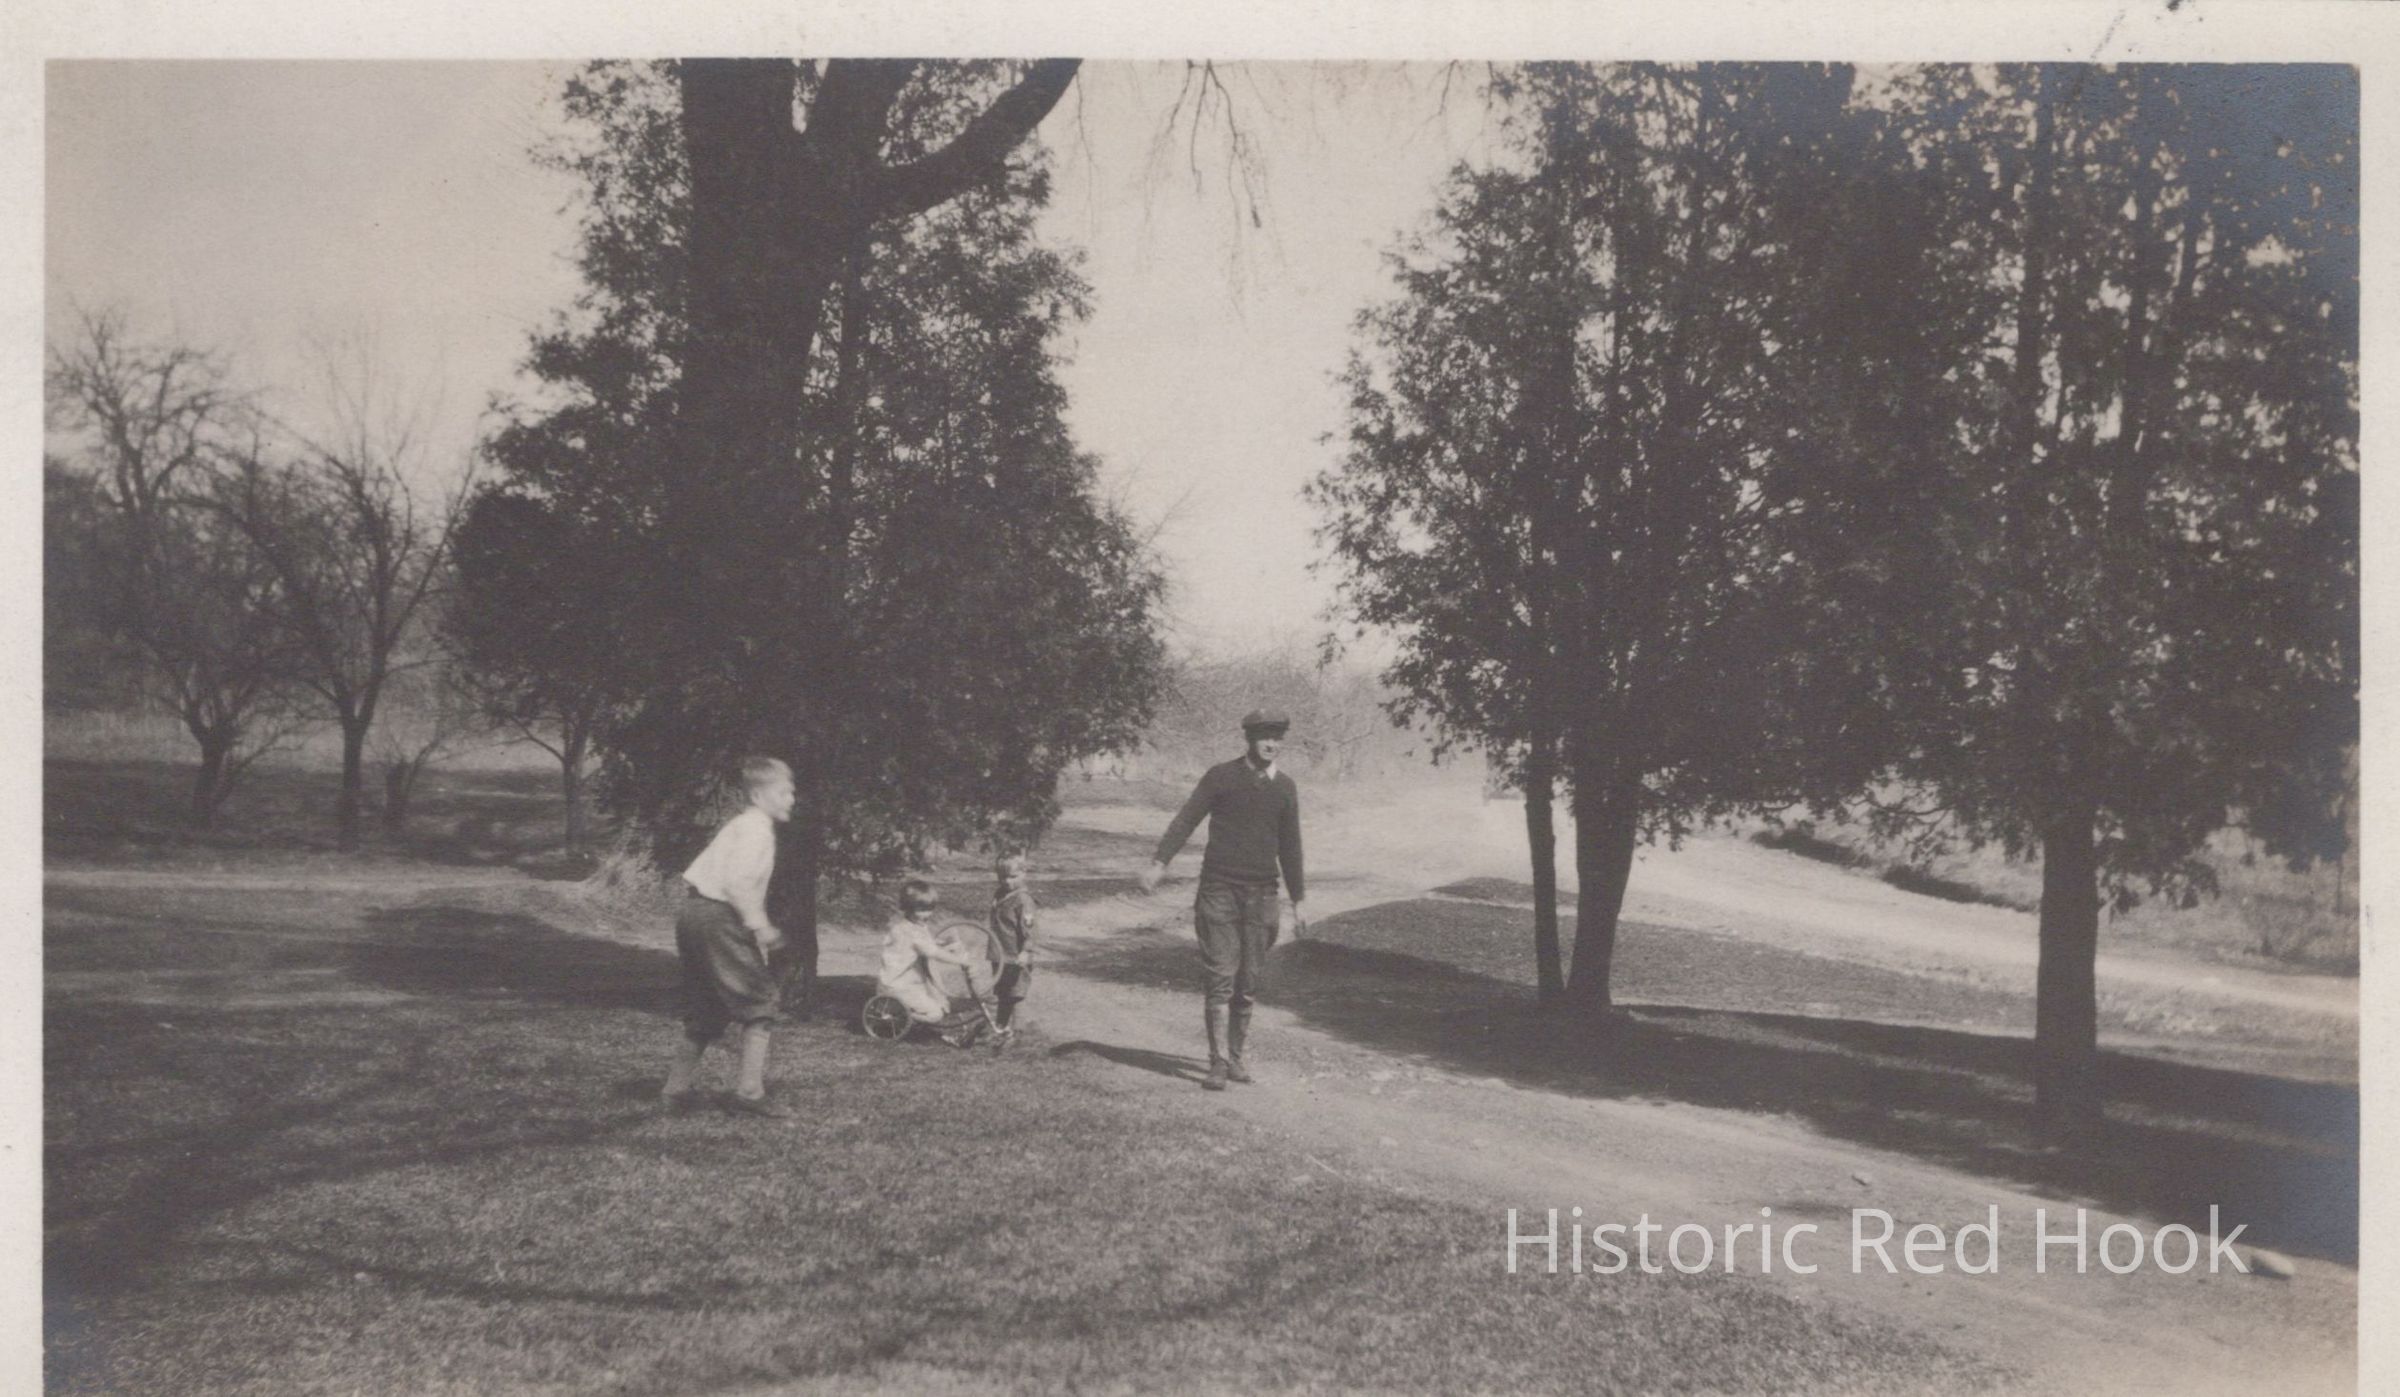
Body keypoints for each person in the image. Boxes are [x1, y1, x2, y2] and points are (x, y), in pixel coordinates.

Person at [1138, 708, 1306, 1091]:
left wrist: (1299, 900)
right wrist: (1160, 862)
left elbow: (1291, 846)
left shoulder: (1286, 787)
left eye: (1277, 737)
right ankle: (1217, 1062)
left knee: (1248, 981)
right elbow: (1186, 819)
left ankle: (1236, 1058)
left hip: (1263, 895)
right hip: (1219, 890)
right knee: (1221, 976)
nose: (1271, 744)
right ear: (1249, 739)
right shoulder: (1221, 777)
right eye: (1264, 737)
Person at [662, 755, 795, 1119]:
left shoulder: (738, 826)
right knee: (761, 999)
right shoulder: (757, 830)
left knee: (707, 1006)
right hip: (720, 917)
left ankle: (675, 1090)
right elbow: (738, 883)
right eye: (783, 792)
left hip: (694, 914)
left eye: (792, 792)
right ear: (758, 796)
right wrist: (759, 925)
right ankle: (749, 1092)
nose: (791, 799)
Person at [877, 879, 1000, 1044]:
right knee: (936, 1014)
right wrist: (961, 961)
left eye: (930, 909)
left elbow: (929, 945)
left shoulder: (916, 926)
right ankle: (903, 1016)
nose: (927, 914)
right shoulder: (906, 931)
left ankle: (924, 1018)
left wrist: (946, 945)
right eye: (921, 910)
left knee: (942, 1003)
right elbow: (931, 952)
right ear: (907, 908)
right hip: (896, 986)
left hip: (912, 983)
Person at [988, 854, 1039, 1044]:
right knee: (1002, 993)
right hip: (1000, 954)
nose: (1007, 881)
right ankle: (1000, 1027)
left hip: (1016, 956)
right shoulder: (1000, 894)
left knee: (1016, 993)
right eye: (1002, 877)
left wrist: (1026, 951)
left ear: (1024, 874)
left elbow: (1030, 930)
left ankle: (1018, 1033)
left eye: (1013, 876)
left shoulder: (1023, 900)